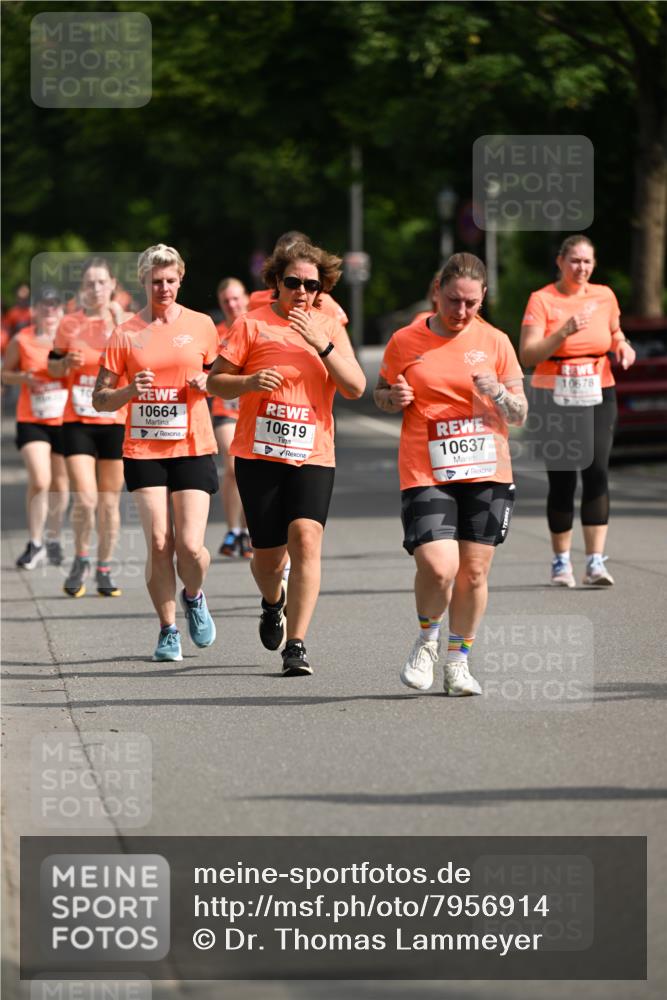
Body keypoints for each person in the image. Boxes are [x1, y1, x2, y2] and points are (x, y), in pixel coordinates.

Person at [207, 239, 365, 676]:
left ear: (321, 289)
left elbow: (355, 387)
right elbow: (216, 382)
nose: (302, 291)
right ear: (276, 282)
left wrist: (322, 344)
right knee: (268, 559)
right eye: (293, 282)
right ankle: (272, 601)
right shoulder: (251, 324)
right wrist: (249, 382)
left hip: (313, 453)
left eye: (311, 285)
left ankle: (296, 645)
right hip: (259, 454)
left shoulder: (329, 326)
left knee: (306, 538)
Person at [374, 253, 527, 696]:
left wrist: (498, 392)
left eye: (471, 303)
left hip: (486, 469)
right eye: (454, 300)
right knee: (439, 567)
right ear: (437, 292)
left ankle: (458, 662)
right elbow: (381, 393)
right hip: (426, 467)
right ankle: (427, 641)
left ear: (483, 298)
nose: (461, 311)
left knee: (474, 574)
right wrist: (393, 397)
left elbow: (520, 412)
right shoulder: (405, 340)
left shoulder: (496, 341)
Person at [93, 243, 219, 663]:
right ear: (143, 282)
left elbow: (224, 377)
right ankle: (168, 630)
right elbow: (100, 399)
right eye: (155, 281)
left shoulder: (202, 325)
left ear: (180, 280)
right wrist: (131, 390)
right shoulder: (126, 333)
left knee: (191, 546)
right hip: (144, 448)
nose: (163, 288)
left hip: (193, 444)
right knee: (160, 542)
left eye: (170, 280)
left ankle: (194, 595)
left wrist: (208, 383)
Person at [519, 234, 635, 587]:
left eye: (587, 261)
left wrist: (622, 345)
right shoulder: (542, 299)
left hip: (598, 389)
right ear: (560, 262)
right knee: (563, 477)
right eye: (574, 260)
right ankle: (561, 562)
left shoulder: (604, 296)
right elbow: (528, 354)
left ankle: (595, 562)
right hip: (553, 393)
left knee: (597, 470)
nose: (581, 267)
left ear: (594, 265)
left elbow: (615, 331)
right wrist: (565, 331)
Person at [48, 258, 132, 597]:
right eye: (89, 283)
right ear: (82, 289)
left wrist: (118, 322)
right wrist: (66, 363)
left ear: (112, 285)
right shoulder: (69, 324)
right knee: (84, 498)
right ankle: (81, 558)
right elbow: (53, 368)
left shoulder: (130, 322)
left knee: (109, 502)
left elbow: (141, 362)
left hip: (115, 420)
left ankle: (104, 566)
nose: (95, 289)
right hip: (77, 420)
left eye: (101, 282)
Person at [1, 285, 69, 568]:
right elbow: (5, 374)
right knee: (41, 480)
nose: (50, 310)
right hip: (32, 419)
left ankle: (52, 539)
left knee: (60, 483)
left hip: (64, 419)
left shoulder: (71, 340)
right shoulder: (22, 339)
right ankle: (35, 541)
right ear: (35, 310)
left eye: (55, 305)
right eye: (44, 305)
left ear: (62, 310)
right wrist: (24, 378)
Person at [213, 277, 252, 559]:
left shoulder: (257, 326)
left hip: (254, 410)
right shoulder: (215, 333)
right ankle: (232, 529)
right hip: (225, 408)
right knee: (232, 463)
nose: (232, 304)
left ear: (247, 298)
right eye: (226, 300)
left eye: (236, 298)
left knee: (251, 470)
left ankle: (249, 530)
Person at [248, 231, 349, 326]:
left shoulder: (327, 304)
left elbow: (337, 336)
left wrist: (317, 338)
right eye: (281, 260)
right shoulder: (256, 300)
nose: (301, 291)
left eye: (296, 257)